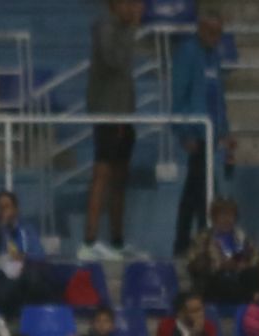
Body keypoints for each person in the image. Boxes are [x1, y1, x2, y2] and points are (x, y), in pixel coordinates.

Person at [81, 0, 144, 262]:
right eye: (130, 3)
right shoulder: (105, 27)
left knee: (120, 179)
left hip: (124, 113)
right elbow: (113, 60)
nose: (135, 8)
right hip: (107, 112)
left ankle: (117, 242)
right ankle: (89, 241)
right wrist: (131, 31)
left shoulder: (123, 28)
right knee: (102, 175)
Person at [171, 10, 235, 257]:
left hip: (210, 134)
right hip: (196, 133)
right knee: (205, 192)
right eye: (210, 32)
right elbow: (180, 93)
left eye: (219, 33)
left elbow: (218, 97)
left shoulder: (214, 57)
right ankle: (200, 243)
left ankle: (184, 244)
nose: (215, 37)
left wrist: (225, 131)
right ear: (199, 28)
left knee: (194, 191)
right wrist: (183, 131)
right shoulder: (188, 53)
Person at [186, 198, 259, 306]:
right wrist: (219, 265)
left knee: (251, 275)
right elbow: (193, 264)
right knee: (209, 279)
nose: (227, 219)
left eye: (231, 215)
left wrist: (244, 266)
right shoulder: (203, 239)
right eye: (222, 215)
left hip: (238, 283)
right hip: (215, 285)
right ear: (214, 218)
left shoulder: (242, 237)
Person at [0, 189, 49, 315]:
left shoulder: (27, 229)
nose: (3, 210)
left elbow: (40, 255)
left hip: (26, 274)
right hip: (2, 279)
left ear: (15, 209)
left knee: (34, 276)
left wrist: (24, 257)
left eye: (7, 206)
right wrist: (1, 229)